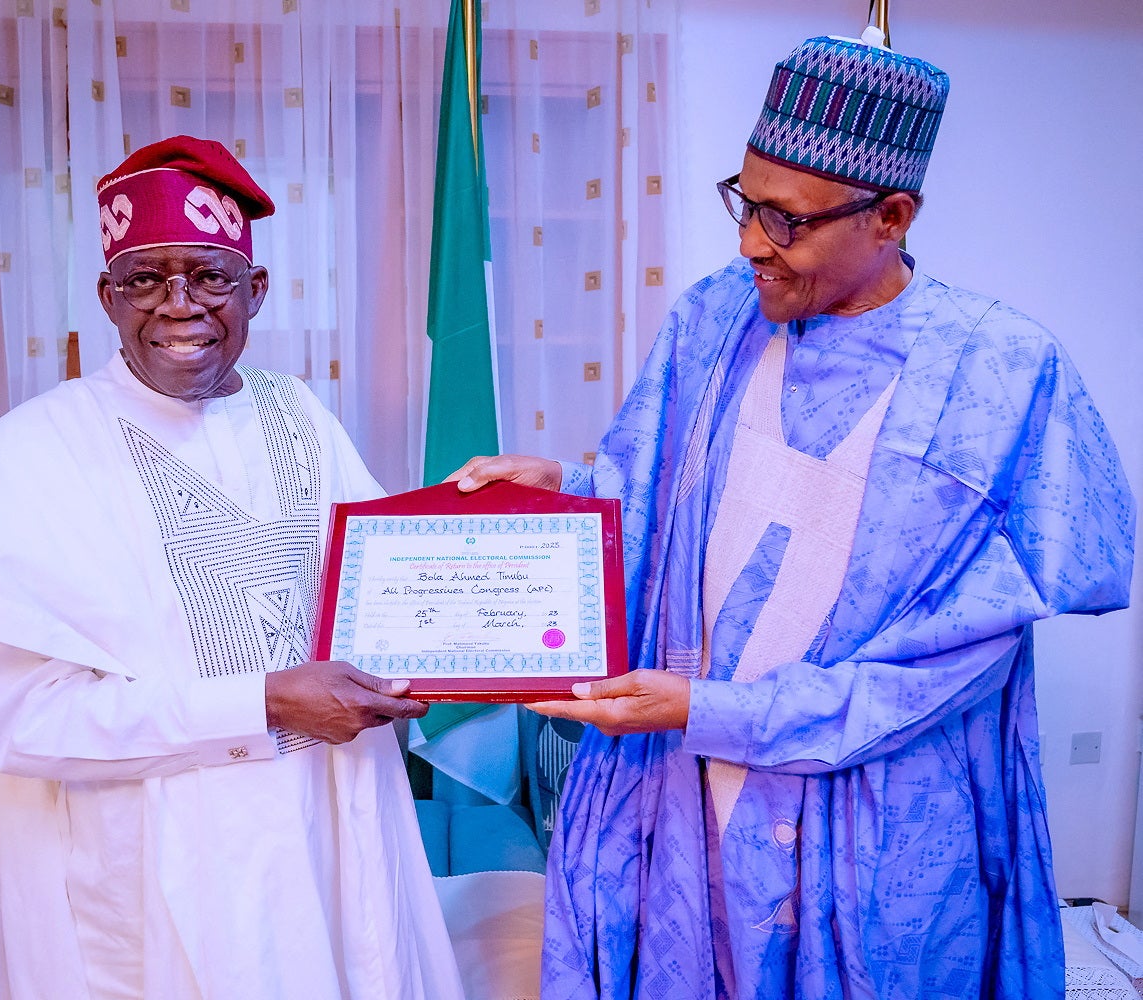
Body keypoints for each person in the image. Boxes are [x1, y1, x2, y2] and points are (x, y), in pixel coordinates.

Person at [450, 29, 1135, 999]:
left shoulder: (1003, 376)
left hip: (872, 826)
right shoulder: (714, 315)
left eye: (785, 222)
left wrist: (710, 708)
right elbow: (655, 498)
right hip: (687, 791)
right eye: (742, 202)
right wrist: (560, 485)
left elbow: (939, 672)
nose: (746, 245)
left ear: (890, 215)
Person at [0, 136, 465, 1000]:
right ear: (108, 297)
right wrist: (259, 700)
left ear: (255, 291)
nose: (177, 304)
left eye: (209, 276)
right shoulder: (35, 459)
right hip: (151, 885)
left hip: (331, 831)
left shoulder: (297, 412)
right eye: (144, 278)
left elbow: (380, 600)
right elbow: (23, 724)